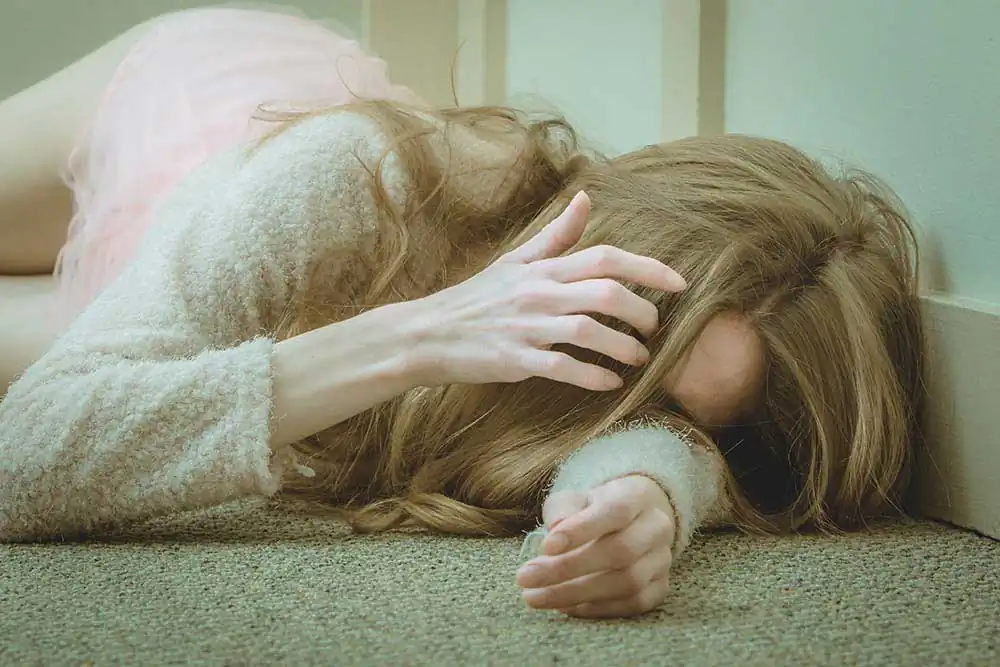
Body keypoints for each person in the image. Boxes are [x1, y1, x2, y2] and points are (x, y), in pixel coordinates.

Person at [0, 6, 925, 619]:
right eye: (623, 348)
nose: (617, 411)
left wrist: (653, 493)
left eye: (678, 415)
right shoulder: (337, 181)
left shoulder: (653, 403)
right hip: (193, 121)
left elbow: (662, 439)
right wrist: (416, 337)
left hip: (160, 309)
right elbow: (21, 461)